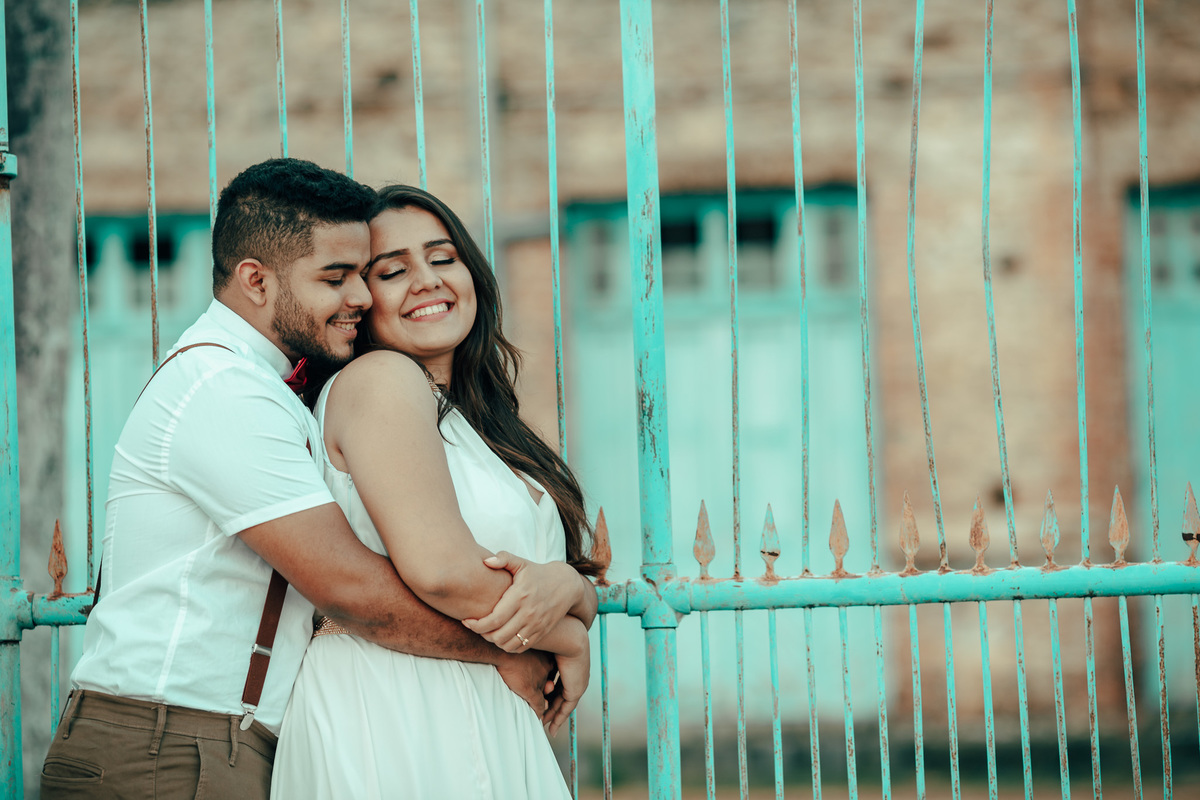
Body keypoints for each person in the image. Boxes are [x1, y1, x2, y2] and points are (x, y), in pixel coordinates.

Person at [41, 159, 564, 800]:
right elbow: (351, 588)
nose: (362, 298)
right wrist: (529, 643)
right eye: (338, 277)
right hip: (167, 742)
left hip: (223, 738)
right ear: (255, 281)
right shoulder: (221, 387)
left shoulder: (274, 386)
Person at [269, 184, 599, 799]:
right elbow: (444, 572)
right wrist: (571, 633)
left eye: (443, 258)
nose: (426, 280)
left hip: (478, 704)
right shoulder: (380, 380)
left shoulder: (479, 422)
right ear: (360, 300)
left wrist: (573, 587)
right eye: (392, 270)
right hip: (395, 710)